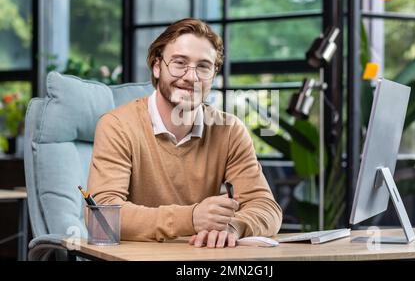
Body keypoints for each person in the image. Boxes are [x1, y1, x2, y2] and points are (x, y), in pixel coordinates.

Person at [87, 18, 282, 248]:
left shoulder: (229, 131)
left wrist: (232, 227)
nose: (192, 77)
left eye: (203, 66)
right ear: (157, 66)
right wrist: (191, 218)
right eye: (180, 63)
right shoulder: (117, 126)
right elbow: (103, 215)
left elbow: (266, 207)